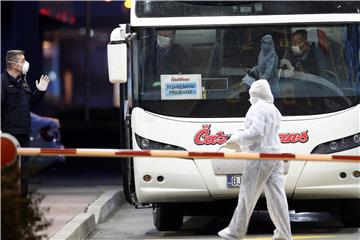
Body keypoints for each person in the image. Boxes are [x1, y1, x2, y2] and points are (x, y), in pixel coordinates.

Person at [218, 80, 292, 240]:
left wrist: (236, 139)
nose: (249, 98)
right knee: (277, 196)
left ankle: (235, 231)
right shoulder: (274, 109)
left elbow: (256, 132)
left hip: (260, 156)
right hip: (276, 155)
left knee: (247, 194)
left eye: (251, 95)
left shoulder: (257, 108)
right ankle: (284, 234)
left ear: (255, 95)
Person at [1, 50, 49, 195]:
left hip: (24, 132)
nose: (25, 64)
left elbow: (30, 102)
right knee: (8, 168)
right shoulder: (2, 82)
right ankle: (8, 200)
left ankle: (23, 200)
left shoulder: (23, 81)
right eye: (22, 61)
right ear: (13, 65)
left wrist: (40, 91)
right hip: (9, 134)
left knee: (24, 169)